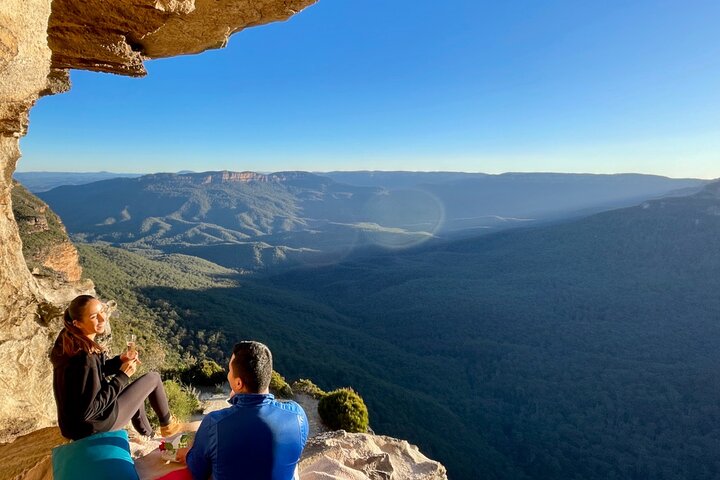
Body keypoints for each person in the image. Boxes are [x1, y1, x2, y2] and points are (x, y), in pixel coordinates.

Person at [50, 294, 181, 440]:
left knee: (133, 393)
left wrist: (119, 361)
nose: (102, 318)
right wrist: (122, 376)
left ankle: (150, 436)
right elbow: (89, 410)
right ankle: (169, 428)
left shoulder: (69, 340)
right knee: (153, 378)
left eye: (102, 311)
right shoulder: (85, 357)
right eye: (94, 316)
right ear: (78, 323)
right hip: (93, 427)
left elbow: (90, 374)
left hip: (72, 426)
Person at [178, 341, 308, 480]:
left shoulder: (214, 423)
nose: (228, 375)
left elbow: (198, 472)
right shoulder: (297, 414)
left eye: (229, 371)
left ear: (238, 383)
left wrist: (187, 454)